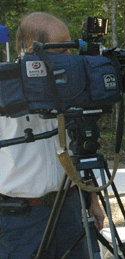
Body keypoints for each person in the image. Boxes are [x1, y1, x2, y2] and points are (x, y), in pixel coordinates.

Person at [0, 12, 105, 258]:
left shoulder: (72, 82)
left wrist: (93, 199)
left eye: (71, 47)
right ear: (31, 49)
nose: (69, 57)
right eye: (61, 50)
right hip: (21, 221)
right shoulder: (4, 86)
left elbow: (80, 145)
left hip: (69, 210)